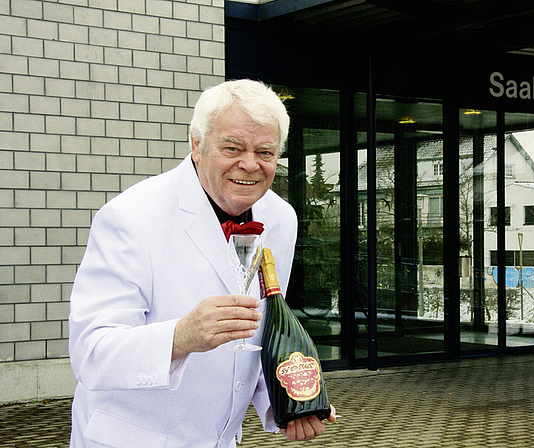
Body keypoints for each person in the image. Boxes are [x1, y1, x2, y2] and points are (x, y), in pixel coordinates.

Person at [68, 79, 336, 447]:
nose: (250, 164)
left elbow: (260, 334)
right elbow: (91, 353)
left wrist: (287, 403)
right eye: (232, 147)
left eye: (266, 152)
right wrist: (182, 336)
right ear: (197, 143)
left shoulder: (281, 218)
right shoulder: (130, 216)